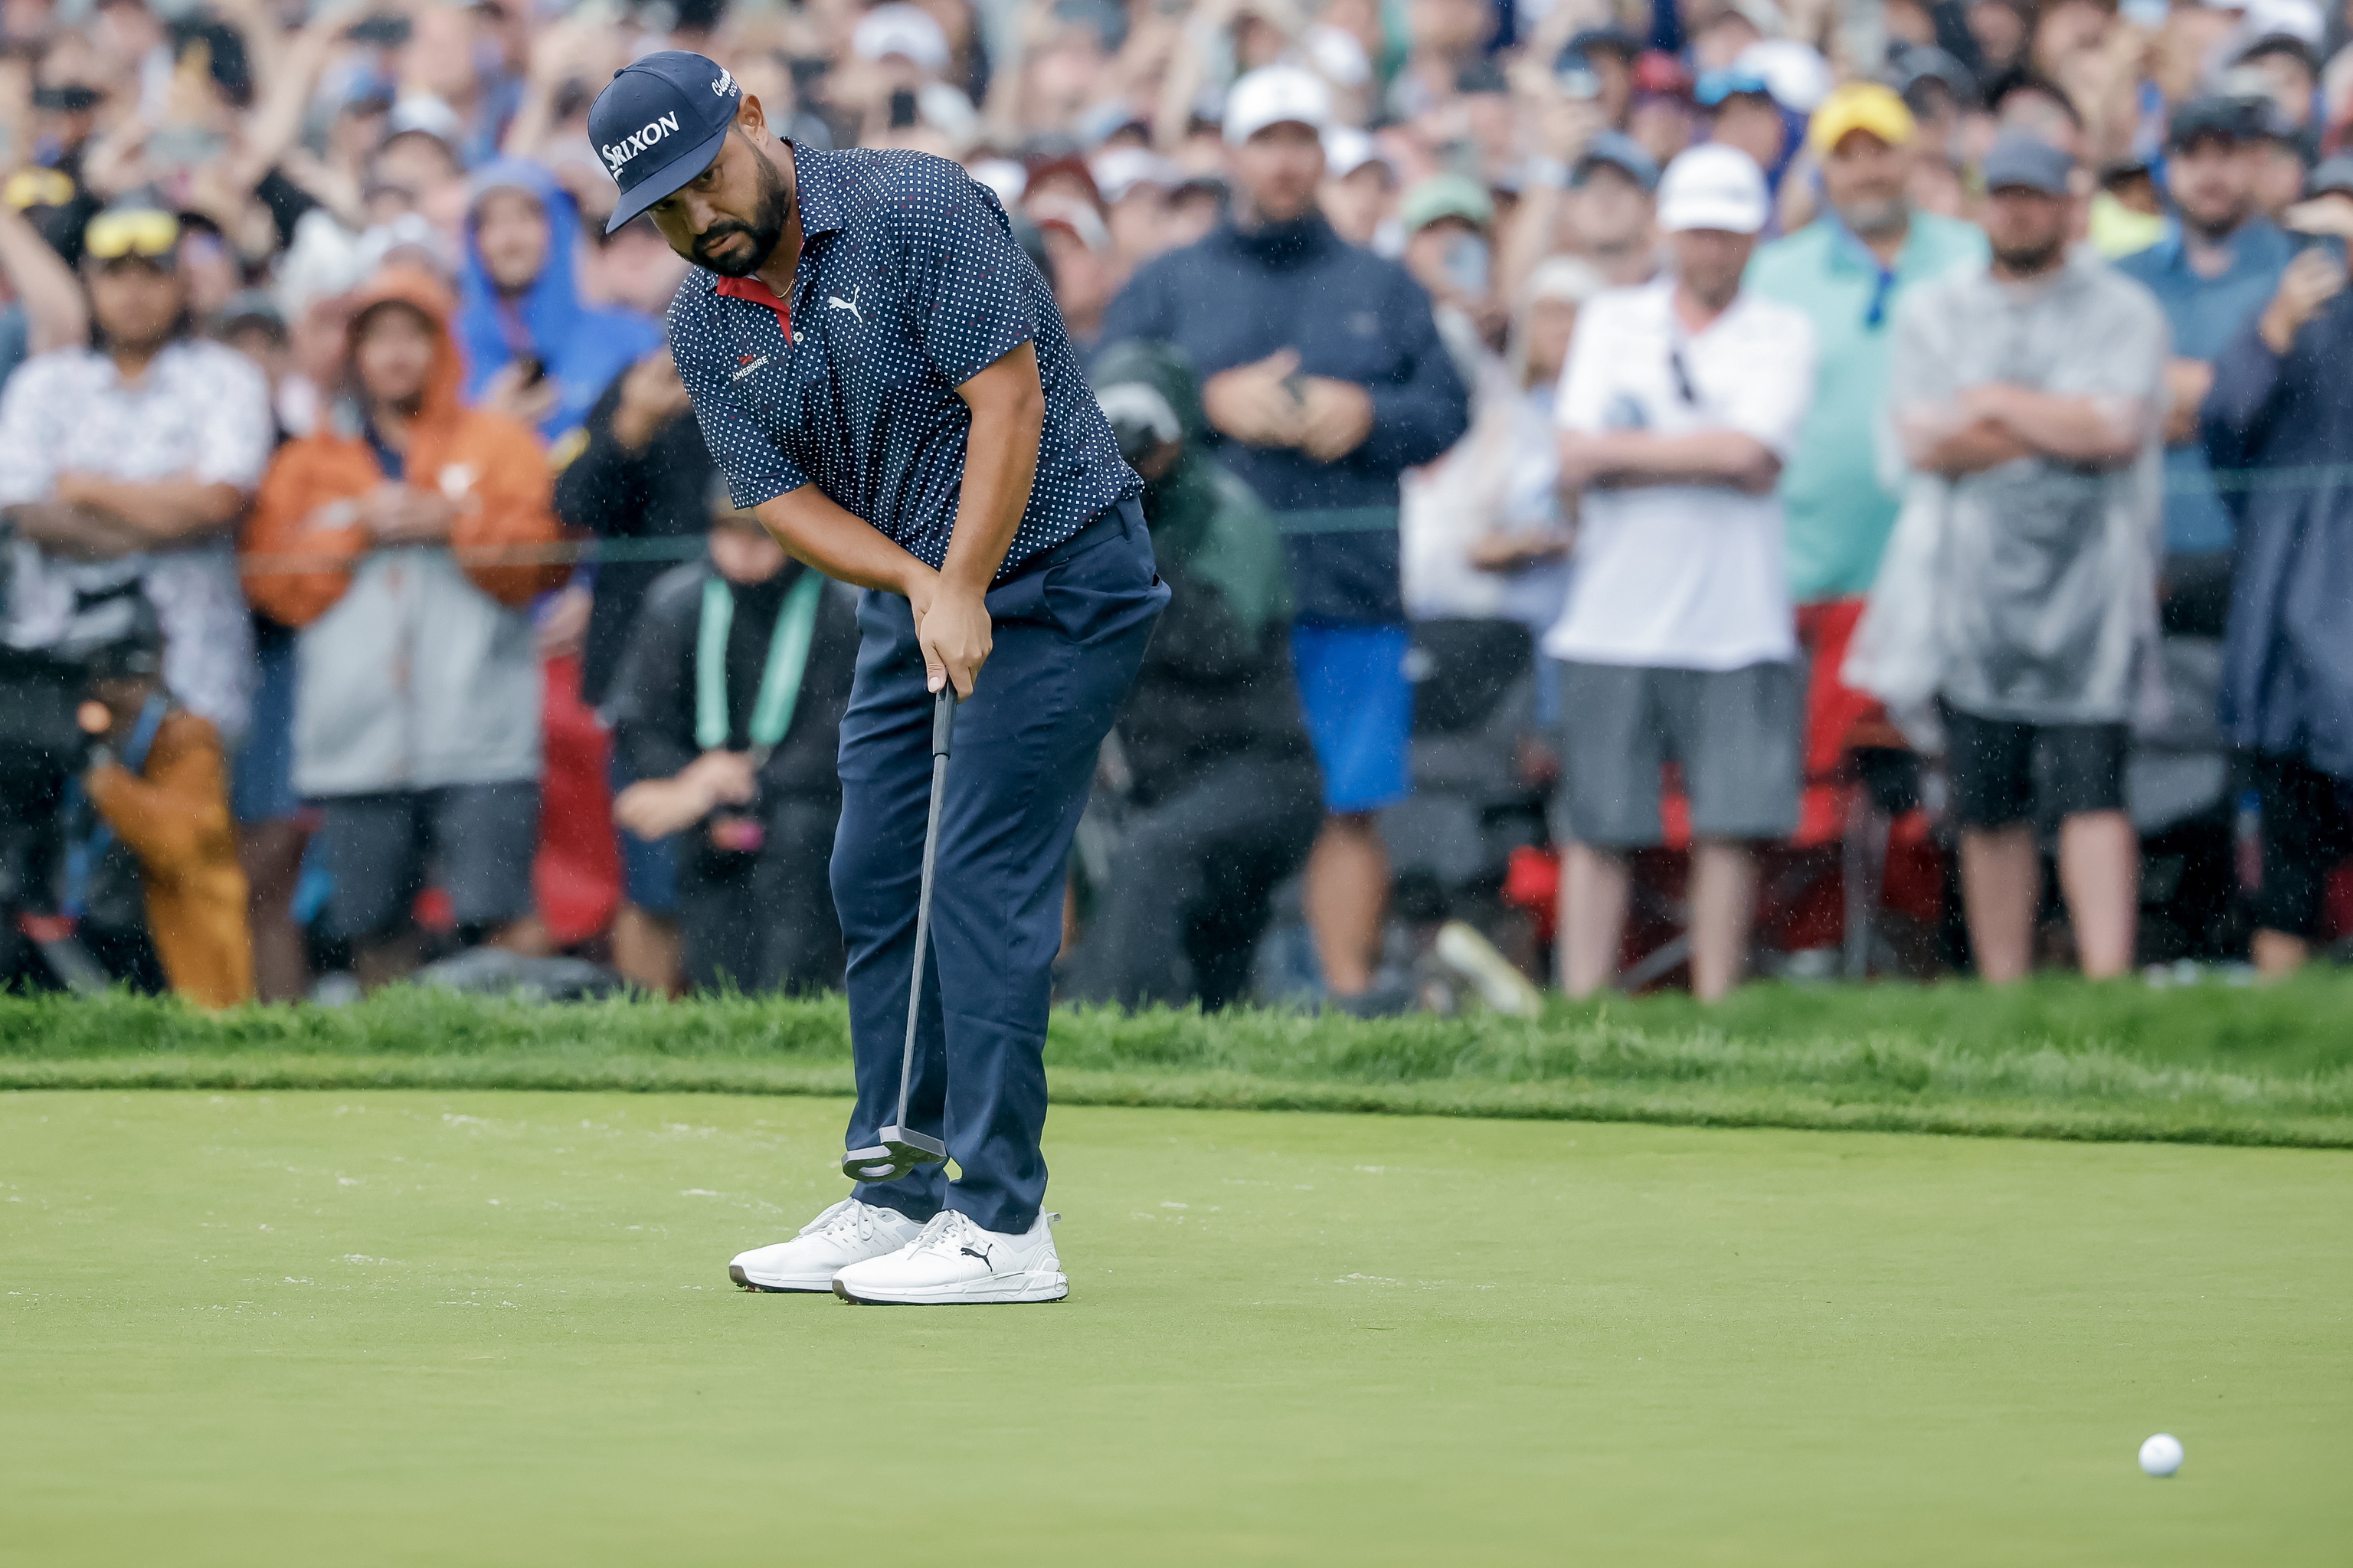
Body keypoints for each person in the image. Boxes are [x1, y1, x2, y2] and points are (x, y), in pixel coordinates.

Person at [594, 52, 1163, 1304]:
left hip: (1065, 569)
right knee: (871, 868)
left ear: (752, 119)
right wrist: (920, 582)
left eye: (706, 179)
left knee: (980, 876)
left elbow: (1009, 406)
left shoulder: (912, 206)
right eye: (666, 209)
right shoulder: (705, 321)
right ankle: (899, 1189)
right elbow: (779, 497)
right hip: (922, 593)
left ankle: (1003, 1222)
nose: (699, 218)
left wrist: (961, 579)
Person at [1098, 65, 1471, 1012]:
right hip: (1204, 605)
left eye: (1302, 139)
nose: (1285, 160)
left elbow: (1446, 409)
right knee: (1204, 795)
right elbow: (1101, 405)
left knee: (1350, 800)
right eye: (1267, 140)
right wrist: (1208, 404)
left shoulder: (1382, 284)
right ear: (1232, 153)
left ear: (1324, 154)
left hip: (1348, 589)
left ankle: (1344, 1000)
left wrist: (1370, 414)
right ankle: (1210, 993)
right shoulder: (1169, 284)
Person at [1851, 135, 2166, 984]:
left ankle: (2107, 981)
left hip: (2092, 594)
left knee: (2095, 789)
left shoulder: (2122, 310)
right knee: (1989, 801)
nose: (2018, 211)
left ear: (2067, 205)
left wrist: (1992, 403)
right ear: (1982, 204)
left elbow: (2117, 429)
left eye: (2035, 195)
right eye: (2004, 195)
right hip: (1971, 598)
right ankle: (2004, 984)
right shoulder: (1936, 311)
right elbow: (1924, 441)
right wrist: (2059, 421)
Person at [241, 268, 566, 992]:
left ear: (442, 345)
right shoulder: (306, 464)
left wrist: (456, 525)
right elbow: (272, 586)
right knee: (373, 928)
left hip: (481, 733)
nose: (395, 354)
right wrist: (353, 531)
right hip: (356, 740)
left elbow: (546, 559)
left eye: (413, 334)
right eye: (378, 337)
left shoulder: (500, 444)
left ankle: (516, 1052)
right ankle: (392, 1053)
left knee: (503, 918)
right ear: (353, 354)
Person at [1549, 144, 1817, 1003]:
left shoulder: (1784, 330)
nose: (1712, 248)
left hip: (1736, 618)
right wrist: (1706, 455)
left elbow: (1754, 454)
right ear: (1669, 232)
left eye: (1728, 233)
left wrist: (1628, 455)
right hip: (1610, 617)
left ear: (1754, 238)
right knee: (1598, 823)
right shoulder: (1610, 320)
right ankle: (1583, 1002)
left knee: (1729, 824)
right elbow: (1574, 455)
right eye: (1699, 231)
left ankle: (1716, 1002)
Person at [1063, 340, 1321, 1010]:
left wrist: (1123, 548)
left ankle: (1103, 1028)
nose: (1128, 455)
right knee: (1216, 981)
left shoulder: (1226, 513)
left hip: (1260, 772)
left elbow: (1222, 642)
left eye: (1144, 436)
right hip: (1168, 780)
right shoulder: (1096, 521)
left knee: (1153, 854)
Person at [0, 206, 274, 745]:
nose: (134, 292)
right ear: (88, 281)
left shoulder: (227, 378)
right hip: (57, 670)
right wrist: (172, 513)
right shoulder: (43, 384)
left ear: (182, 283)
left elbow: (220, 502)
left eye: (152, 273)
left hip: (196, 672)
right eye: (115, 275)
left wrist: (86, 489)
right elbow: (25, 514)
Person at [607, 489, 859, 994]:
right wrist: (692, 778)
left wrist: (750, 780)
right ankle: (712, 1011)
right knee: (708, 942)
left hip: (807, 804)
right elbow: (639, 716)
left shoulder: (839, 605)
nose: (743, 548)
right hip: (699, 799)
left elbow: (844, 726)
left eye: (760, 535)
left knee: (798, 874)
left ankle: (794, 1010)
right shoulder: (678, 602)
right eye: (728, 532)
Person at [2201, 212, 2353, 978]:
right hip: (2288, 604)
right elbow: (2226, 422)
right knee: (2289, 829)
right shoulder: (2274, 316)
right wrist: (2274, 331)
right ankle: (2279, 1004)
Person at [552, 346, 714, 994]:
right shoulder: (641, 380)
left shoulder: (782, 370)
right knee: (653, 880)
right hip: (647, 674)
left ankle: (753, 1023)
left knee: (766, 868)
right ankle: (649, 1031)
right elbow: (573, 502)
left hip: (767, 658)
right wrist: (633, 424)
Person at [2115, 97, 2293, 610]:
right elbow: (2096, 403)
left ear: (2255, 162)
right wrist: (2241, 383)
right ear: (2167, 167)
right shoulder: (2123, 277)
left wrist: (2167, 394)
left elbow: (2290, 410)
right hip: (2147, 559)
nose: (2210, 174)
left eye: (2226, 154)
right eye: (2192, 155)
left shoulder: (2293, 266)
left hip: (2270, 557)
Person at [72, 590, 253, 1008]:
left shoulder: (185, 736)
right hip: (75, 929)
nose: (120, 693)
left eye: (130, 676)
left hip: (174, 966)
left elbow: (180, 844)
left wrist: (104, 779)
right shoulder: (57, 738)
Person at [456, 159, 665, 442]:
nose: (509, 238)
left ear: (560, 227)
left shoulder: (629, 339)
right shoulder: (447, 351)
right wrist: (490, 429)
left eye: (526, 217)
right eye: (491, 223)